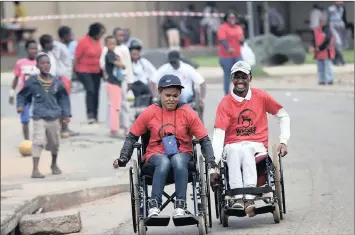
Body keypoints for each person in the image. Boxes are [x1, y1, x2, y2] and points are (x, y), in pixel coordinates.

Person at [113, 74, 216, 217]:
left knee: (177, 160)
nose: (171, 99)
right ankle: (154, 204)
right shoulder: (149, 113)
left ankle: (180, 204)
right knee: (164, 161)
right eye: (167, 95)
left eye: (175, 95)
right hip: (156, 155)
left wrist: (211, 161)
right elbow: (132, 137)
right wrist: (123, 158)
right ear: (159, 92)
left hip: (182, 154)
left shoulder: (188, 113)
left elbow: (204, 139)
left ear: (180, 94)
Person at [209, 61, 290, 217]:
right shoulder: (225, 103)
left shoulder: (261, 97)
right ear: (232, 79)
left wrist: (283, 140)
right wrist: (214, 167)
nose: (240, 80)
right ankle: (238, 198)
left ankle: (249, 197)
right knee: (234, 150)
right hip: (232, 145)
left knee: (246, 150)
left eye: (244, 77)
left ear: (250, 78)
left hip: (256, 144)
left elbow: (283, 116)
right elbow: (219, 136)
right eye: (236, 77)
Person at [16, 53, 71, 178]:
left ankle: (54, 164)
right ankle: (35, 170)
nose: (46, 65)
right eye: (42, 63)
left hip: (54, 116)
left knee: (55, 143)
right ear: (37, 66)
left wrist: (66, 113)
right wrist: (20, 105)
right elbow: (22, 94)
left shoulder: (57, 81)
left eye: (48, 63)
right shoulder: (32, 81)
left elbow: (64, 98)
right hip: (39, 116)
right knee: (38, 141)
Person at [39, 34, 77, 137]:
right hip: (48, 82)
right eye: (51, 42)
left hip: (58, 80)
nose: (53, 44)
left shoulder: (51, 53)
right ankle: (50, 131)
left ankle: (65, 128)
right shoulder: (41, 56)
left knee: (64, 104)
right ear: (46, 44)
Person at [100, 27, 134, 135]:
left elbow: (128, 65)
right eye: (119, 35)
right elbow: (102, 63)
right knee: (113, 104)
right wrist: (106, 74)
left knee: (124, 103)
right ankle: (113, 127)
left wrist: (130, 80)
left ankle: (126, 126)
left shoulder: (124, 48)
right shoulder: (107, 50)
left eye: (122, 35)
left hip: (122, 79)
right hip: (112, 79)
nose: (121, 37)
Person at [151, 51, 206, 116]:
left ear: (179, 60)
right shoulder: (165, 68)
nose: (173, 65)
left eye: (175, 62)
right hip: (169, 94)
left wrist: (201, 99)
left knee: (179, 94)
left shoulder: (187, 68)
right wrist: (154, 96)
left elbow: (202, 83)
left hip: (185, 93)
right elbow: (153, 81)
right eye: (172, 63)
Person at [74, 22, 106, 124]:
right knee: (90, 90)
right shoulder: (83, 41)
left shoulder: (98, 41)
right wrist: (73, 71)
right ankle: (90, 115)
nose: (101, 35)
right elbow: (76, 57)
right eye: (100, 33)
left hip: (97, 70)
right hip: (83, 70)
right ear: (94, 32)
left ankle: (95, 115)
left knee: (96, 92)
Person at [9, 39, 38, 141]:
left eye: (35, 48)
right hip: (24, 94)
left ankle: (41, 139)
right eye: (31, 48)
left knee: (40, 117)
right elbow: (16, 79)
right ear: (26, 49)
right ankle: (27, 141)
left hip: (38, 94)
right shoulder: (20, 63)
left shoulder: (41, 62)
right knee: (25, 119)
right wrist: (11, 94)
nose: (34, 51)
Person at [217, 11, 244, 95]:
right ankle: (227, 94)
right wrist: (228, 48)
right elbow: (222, 40)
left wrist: (242, 41)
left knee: (240, 74)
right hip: (226, 56)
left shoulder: (239, 27)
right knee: (228, 75)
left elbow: (241, 40)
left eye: (233, 18)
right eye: (230, 18)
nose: (232, 19)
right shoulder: (223, 27)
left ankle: (239, 92)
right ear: (227, 19)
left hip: (237, 55)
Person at [104, 35, 126, 138]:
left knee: (116, 106)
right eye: (109, 43)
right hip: (112, 83)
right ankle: (114, 129)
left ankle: (115, 128)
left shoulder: (114, 54)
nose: (112, 45)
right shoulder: (109, 55)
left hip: (116, 83)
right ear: (106, 45)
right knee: (114, 106)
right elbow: (117, 63)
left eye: (113, 43)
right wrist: (122, 65)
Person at [129, 40, 157, 107]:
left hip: (143, 85)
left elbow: (154, 73)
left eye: (137, 53)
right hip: (132, 86)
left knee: (149, 93)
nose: (135, 55)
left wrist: (151, 81)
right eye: (133, 54)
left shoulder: (144, 62)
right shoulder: (128, 63)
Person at [310, 13, 336, 85]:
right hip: (318, 52)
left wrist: (320, 48)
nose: (322, 22)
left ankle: (329, 80)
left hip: (326, 51)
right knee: (320, 68)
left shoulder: (328, 30)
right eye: (321, 21)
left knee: (328, 67)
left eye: (323, 21)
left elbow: (327, 40)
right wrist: (312, 46)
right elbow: (313, 39)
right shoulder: (316, 30)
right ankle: (322, 80)